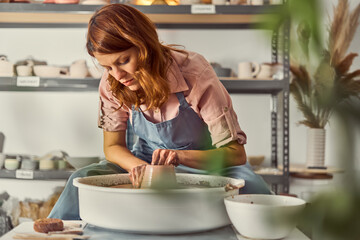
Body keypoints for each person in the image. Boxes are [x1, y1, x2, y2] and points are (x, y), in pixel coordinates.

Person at [48, 4, 270, 220]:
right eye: (107, 67)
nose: (117, 75)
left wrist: (179, 157)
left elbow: (236, 153)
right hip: (144, 162)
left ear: (144, 45)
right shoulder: (112, 82)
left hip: (206, 165)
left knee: (255, 191)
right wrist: (142, 169)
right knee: (81, 179)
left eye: (124, 61)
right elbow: (113, 147)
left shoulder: (195, 73)